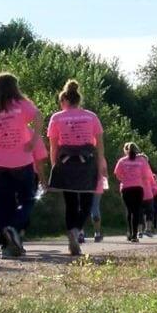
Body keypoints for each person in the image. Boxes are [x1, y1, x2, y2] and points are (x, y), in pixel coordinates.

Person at [0, 73, 43, 259]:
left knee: (3, 204)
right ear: (14, 87)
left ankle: (5, 248)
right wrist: (33, 140)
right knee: (28, 199)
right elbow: (38, 116)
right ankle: (15, 227)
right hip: (21, 162)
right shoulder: (21, 104)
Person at [46, 80, 105, 256]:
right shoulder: (91, 116)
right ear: (78, 99)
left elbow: (53, 146)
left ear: (64, 99)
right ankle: (77, 229)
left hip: (65, 162)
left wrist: (54, 164)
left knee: (70, 202)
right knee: (87, 202)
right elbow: (99, 144)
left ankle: (72, 231)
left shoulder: (57, 118)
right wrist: (101, 163)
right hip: (87, 161)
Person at [113, 142, 148, 243]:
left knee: (129, 211)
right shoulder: (141, 161)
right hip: (138, 188)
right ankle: (134, 234)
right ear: (136, 149)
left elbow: (118, 174)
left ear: (126, 150)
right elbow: (145, 175)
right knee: (136, 211)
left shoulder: (122, 161)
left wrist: (125, 179)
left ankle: (130, 232)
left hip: (126, 188)